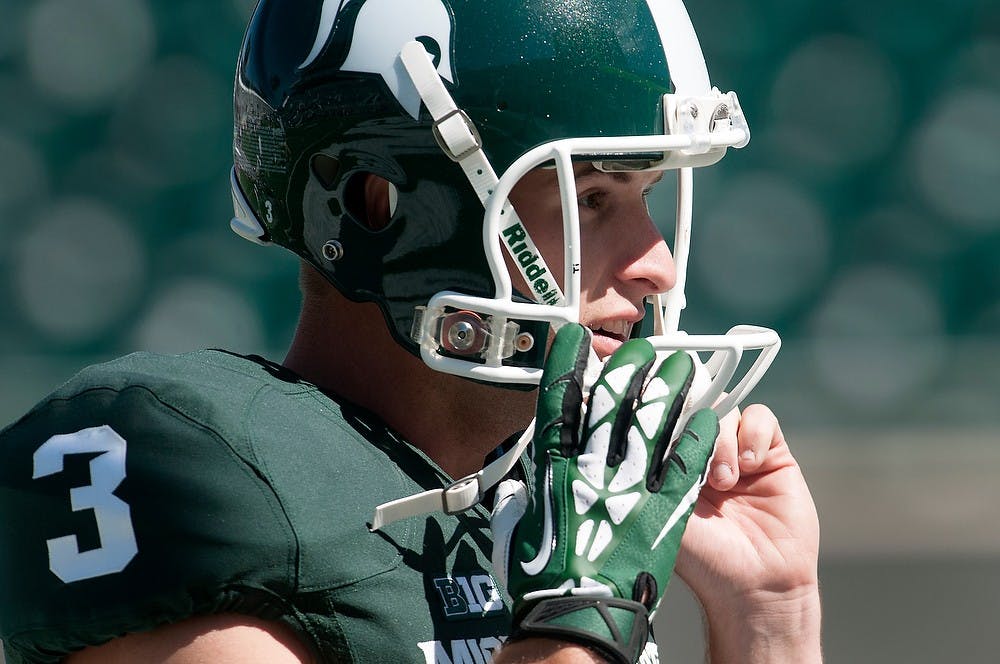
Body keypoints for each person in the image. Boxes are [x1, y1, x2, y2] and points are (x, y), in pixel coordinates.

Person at [0, 1, 821, 662]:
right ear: (377, 203)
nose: (658, 266)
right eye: (594, 198)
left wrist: (767, 618)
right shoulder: (192, 468)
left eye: (647, 197)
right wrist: (577, 623)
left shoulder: (546, 505)